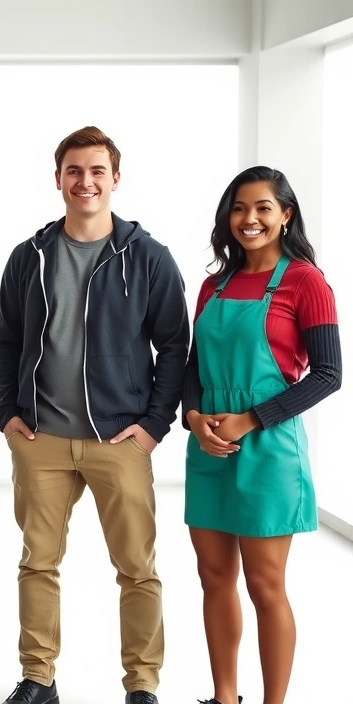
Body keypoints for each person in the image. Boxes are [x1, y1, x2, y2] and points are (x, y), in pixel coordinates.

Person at [0, 126, 189, 704]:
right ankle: (38, 678)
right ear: (58, 179)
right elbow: (5, 337)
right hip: (42, 437)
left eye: (97, 170)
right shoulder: (29, 256)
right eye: (74, 170)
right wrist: (8, 411)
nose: (85, 181)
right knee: (38, 562)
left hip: (119, 440)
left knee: (137, 568)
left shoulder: (148, 256)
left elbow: (174, 345)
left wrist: (153, 426)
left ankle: (142, 685)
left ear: (115, 179)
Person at [182, 166, 340, 704]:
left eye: (263, 208)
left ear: (286, 215)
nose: (249, 219)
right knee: (213, 577)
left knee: (264, 585)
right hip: (209, 445)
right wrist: (193, 417)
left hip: (269, 447)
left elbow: (328, 374)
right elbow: (193, 365)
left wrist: (251, 419)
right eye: (239, 208)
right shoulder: (214, 284)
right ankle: (225, 696)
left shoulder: (305, 281)